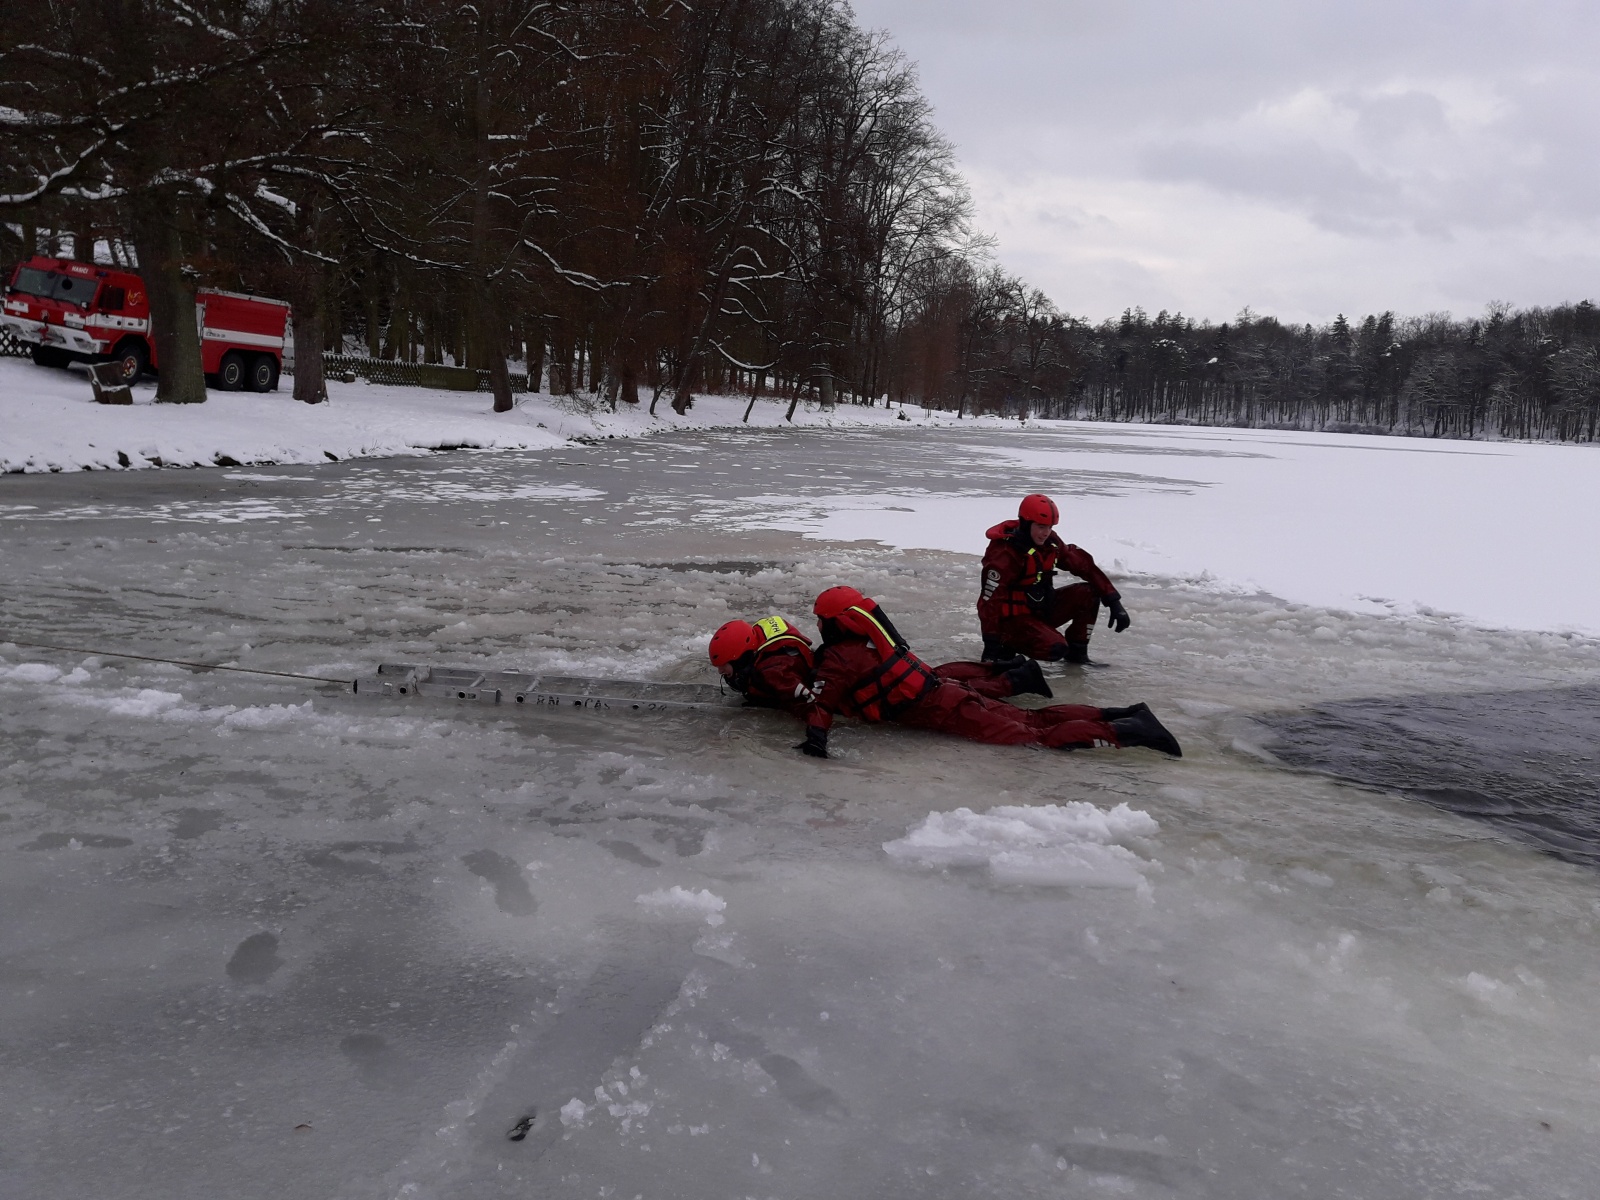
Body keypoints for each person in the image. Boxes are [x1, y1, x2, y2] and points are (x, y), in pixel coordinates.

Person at [795, 586, 1181, 760]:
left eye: (822, 621)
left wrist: (815, 741)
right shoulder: (874, 642)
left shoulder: (839, 659)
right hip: (951, 694)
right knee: (1034, 718)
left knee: (1037, 738)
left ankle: (1128, 732)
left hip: (949, 707)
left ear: (838, 624)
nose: (819, 627)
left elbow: (821, 703)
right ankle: (1123, 713)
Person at [710, 613, 1052, 721]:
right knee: (926, 677)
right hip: (840, 664)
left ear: (742, 658)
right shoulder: (764, 636)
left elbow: (803, 697)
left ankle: (1011, 680)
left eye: (726, 670)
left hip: (840, 684)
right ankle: (1012, 673)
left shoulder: (771, 671)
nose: (727, 677)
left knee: (924, 690)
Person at [978, 493, 1129, 665]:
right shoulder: (1005, 554)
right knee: (1056, 648)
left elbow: (1083, 565)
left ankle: (1078, 654)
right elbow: (989, 603)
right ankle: (1008, 647)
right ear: (1026, 523)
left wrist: (1113, 600)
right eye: (1041, 527)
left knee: (1089, 593)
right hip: (1013, 623)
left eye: (1049, 527)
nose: (1046, 533)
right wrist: (991, 647)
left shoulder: (1051, 543)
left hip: (1040, 610)